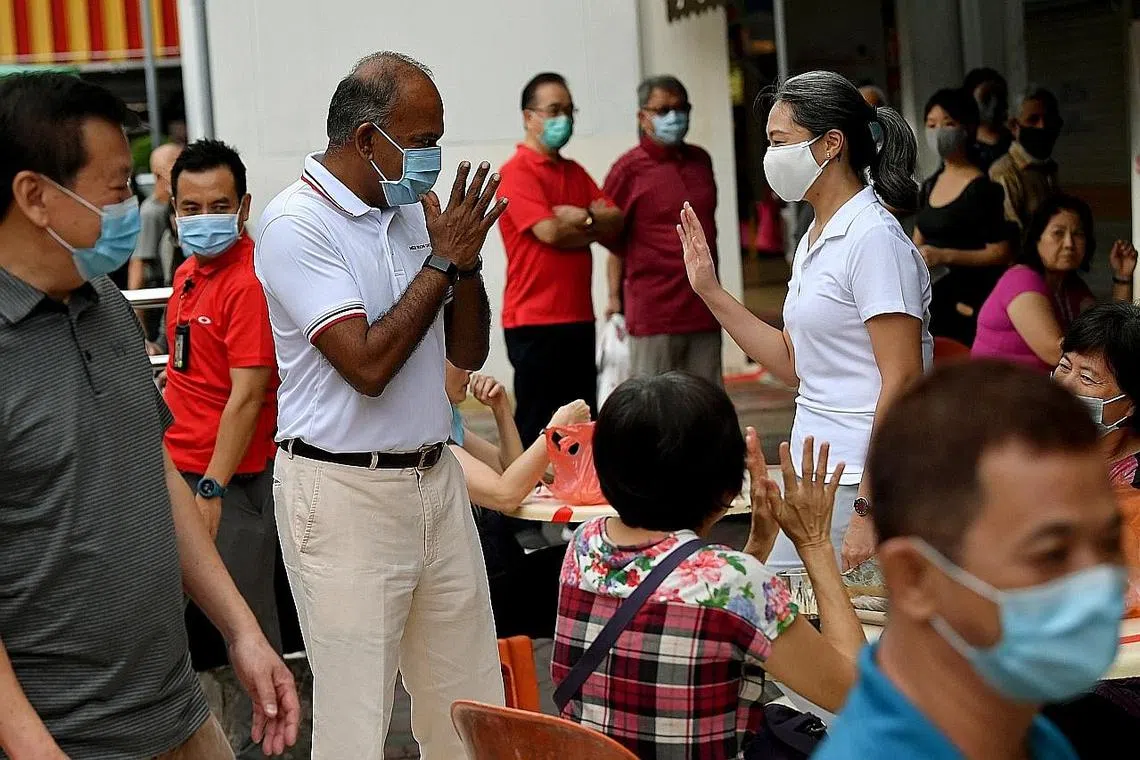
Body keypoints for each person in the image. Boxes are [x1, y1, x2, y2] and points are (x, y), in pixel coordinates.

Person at [0, 73, 298, 760]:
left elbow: (156, 475)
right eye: (115, 189)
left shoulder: (103, 303)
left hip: (177, 710)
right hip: (66, 738)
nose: (131, 207)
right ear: (35, 197)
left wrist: (242, 630)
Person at [254, 51, 506, 760]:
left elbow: (467, 352)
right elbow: (366, 365)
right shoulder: (296, 223)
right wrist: (441, 262)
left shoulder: (412, 214)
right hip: (343, 495)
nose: (433, 159)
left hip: (435, 480)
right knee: (356, 721)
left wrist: (466, 263)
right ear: (368, 139)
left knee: (468, 709)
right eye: (422, 141)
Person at [681, 70, 932, 573]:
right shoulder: (816, 235)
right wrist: (710, 290)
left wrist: (868, 507)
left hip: (860, 478)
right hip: (812, 473)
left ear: (831, 144)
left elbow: (903, 378)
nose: (770, 157)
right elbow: (795, 365)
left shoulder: (874, 240)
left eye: (780, 142)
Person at [814, 361, 1123, 760]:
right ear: (914, 578)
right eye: (1051, 553)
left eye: (1108, 542)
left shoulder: (1027, 736)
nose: (1099, 579)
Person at [552, 373, 865, 759]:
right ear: (728, 486)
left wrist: (758, 545)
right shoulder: (735, 582)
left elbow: (693, 598)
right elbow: (857, 696)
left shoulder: (585, 544)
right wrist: (815, 544)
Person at [162, 139, 283, 759]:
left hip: (226, 486)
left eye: (219, 206)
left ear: (243, 207)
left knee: (250, 635)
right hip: (172, 474)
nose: (204, 218)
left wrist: (210, 488)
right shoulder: (188, 274)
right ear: (173, 209)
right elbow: (186, 374)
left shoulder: (247, 282)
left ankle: (271, 747)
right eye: (191, 207)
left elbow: (249, 395)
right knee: (159, 631)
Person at [497, 72, 624, 445]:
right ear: (528, 117)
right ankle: (525, 483)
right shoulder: (516, 172)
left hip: (578, 318)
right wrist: (590, 224)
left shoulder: (574, 172)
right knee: (539, 425)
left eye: (569, 110)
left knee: (581, 426)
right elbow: (549, 232)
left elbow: (615, 222)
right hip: (534, 321)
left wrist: (581, 217)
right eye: (554, 110)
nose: (564, 119)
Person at [444, 362, 589, 638]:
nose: (470, 371)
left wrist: (501, 409)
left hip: (496, 570)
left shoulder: (447, 420)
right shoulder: (429, 439)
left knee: (584, 560)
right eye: (459, 362)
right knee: (586, 570)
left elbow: (514, 473)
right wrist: (555, 430)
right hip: (480, 595)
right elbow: (506, 495)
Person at [601, 75, 723, 385]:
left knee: (706, 403)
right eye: (663, 110)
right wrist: (614, 298)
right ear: (643, 117)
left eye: (681, 109)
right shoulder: (628, 169)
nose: (674, 117)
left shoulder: (701, 161)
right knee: (655, 403)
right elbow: (612, 239)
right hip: (654, 315)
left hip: (705, 309)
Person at [972, 195, 1136, 372]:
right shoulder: (1020, 280)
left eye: (1078, 234)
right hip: (994, 387)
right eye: (1058, 233)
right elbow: (1056, 352)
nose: (1069, 244)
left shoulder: (1072, 287)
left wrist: (1122, 276)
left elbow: (1112, 330)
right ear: (1037, 239)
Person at [914, 88, 1010, 346]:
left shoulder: (983, 189)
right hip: (930, 303)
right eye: (931, 125)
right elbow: (918, 238)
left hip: (968, 303)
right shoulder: (929, 184)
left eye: (948, 124)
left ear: (967, 128)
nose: (938, 132)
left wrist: (944, 255)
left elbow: (1000, 252)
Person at [1052, 303, 1140, 483]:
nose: (1065, 385)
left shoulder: (1133, 481)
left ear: (1131, 403)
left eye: (1087, 378)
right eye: (1064, 366)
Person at [989, 87, 1063, 229]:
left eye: (1048, 119)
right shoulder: (1005, 172)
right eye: (1033, 120)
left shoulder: (1048, 167)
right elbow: (1012, 233)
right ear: (1014, 126)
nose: (1042, 126)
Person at [963, 67, 1013, 171]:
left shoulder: (1015, 141)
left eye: (999, 96)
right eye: (986, 98)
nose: (995, 103)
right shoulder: (962, 148)